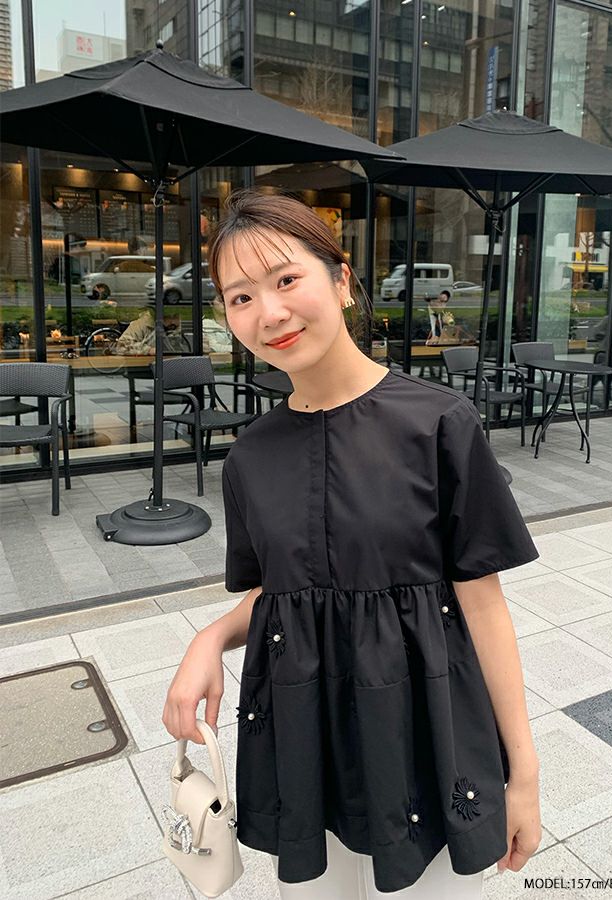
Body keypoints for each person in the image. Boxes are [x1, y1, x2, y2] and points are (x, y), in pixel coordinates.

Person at [162, 191, 542, 899]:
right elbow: (279, 595)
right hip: (304, 746)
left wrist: (524, 774)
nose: (269, 312)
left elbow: (484, 607)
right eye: (240, 297)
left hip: (424, 740)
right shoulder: (250, 456)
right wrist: (209, 638)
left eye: (286, 279)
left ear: (341, 280)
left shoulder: (440, 423)